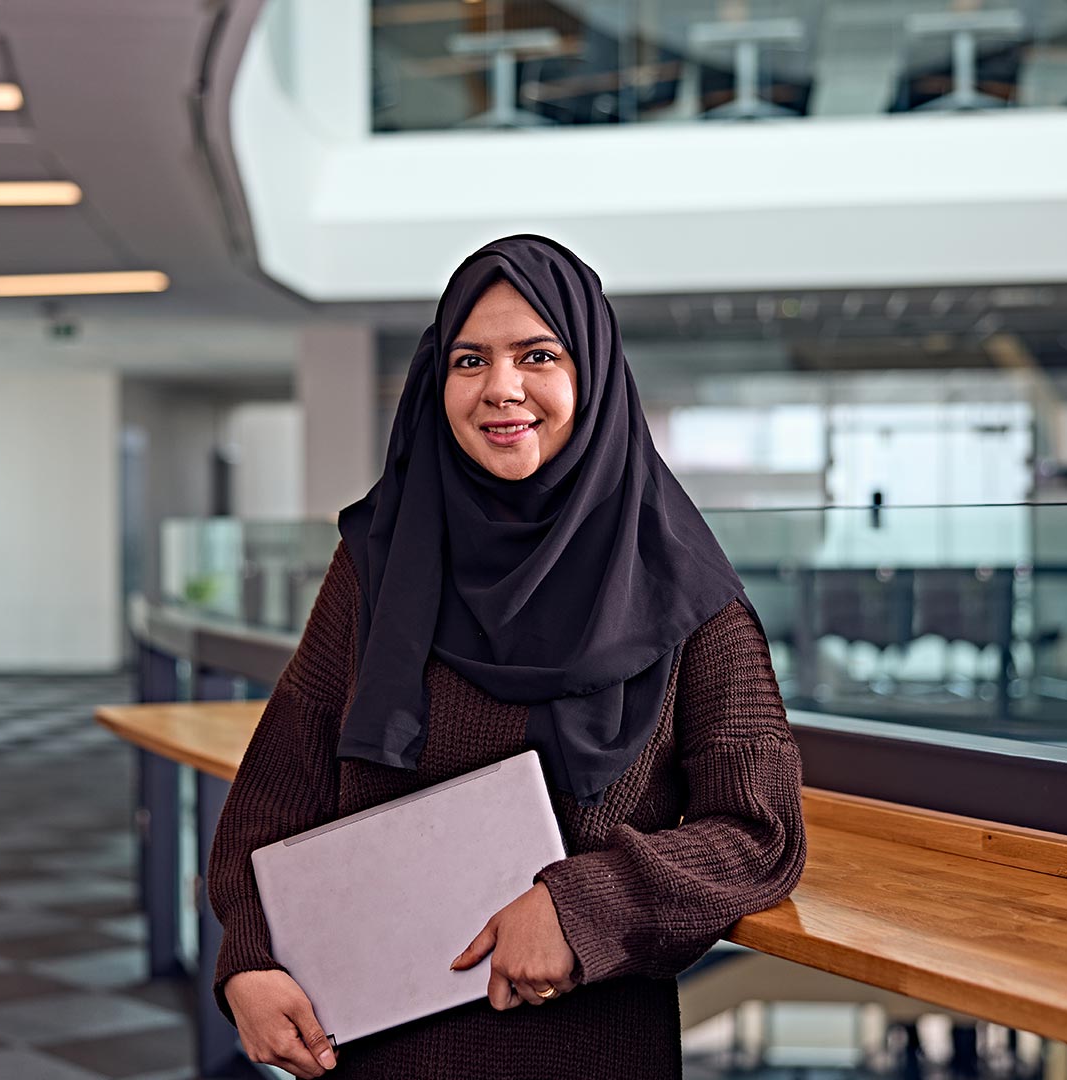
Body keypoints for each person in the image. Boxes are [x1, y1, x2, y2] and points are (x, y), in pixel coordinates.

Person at [207, 235, 807, 1080]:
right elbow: (277, 791)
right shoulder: (379, 566)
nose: (500, 388)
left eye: (537, 354)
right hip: (376, 1049)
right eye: (468, 359)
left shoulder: (685, 596)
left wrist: (580, 906)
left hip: (582, 1048)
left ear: (590, 374)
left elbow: (760, 832)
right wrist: (251, 960)